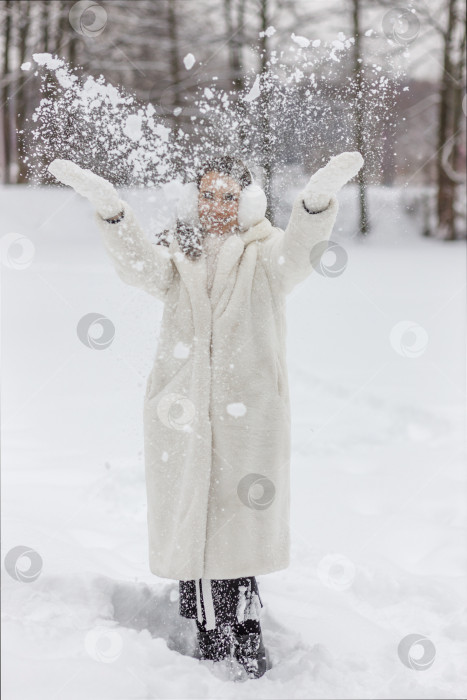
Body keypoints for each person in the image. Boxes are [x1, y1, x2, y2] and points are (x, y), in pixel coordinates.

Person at [47, 151, 363, 680]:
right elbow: (138, 268)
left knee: (235, 529)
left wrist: (314, 204)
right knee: (193, 520)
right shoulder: (180, 252)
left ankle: (244, 634)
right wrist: (113, 213)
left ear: (247, 200)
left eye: (228, 195)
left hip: (246, 416)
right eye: (208, 194)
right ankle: (205, 636)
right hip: (181, 412)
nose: (217, 205)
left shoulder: (266, 254)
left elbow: (301, 257)